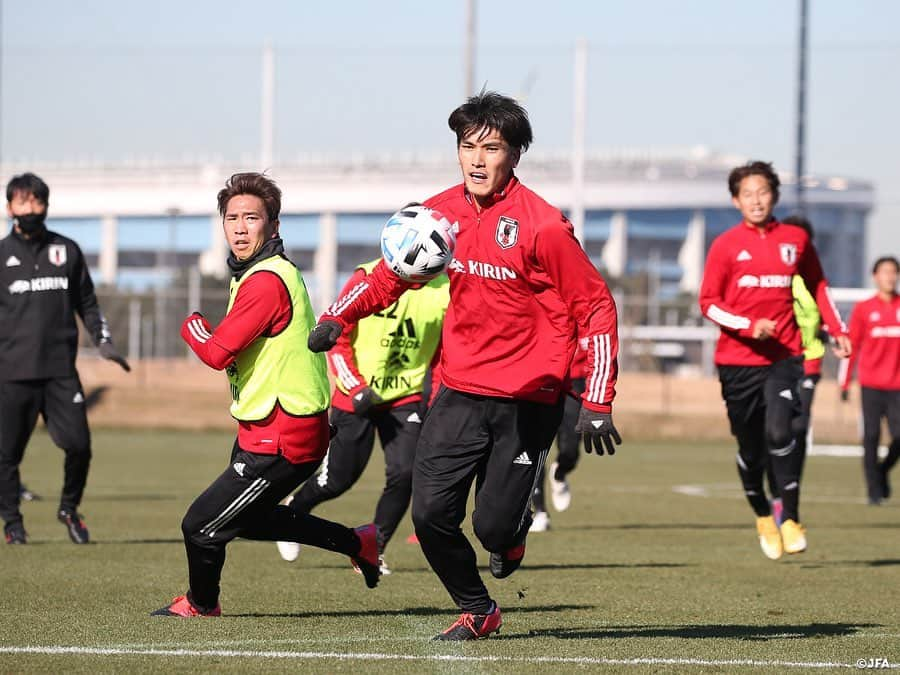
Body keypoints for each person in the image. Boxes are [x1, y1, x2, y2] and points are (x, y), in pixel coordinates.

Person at [307, 92, 622, 640]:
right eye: (467, 146)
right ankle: (479, 609)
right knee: (429, 517)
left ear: (515, 155)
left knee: (493, 528)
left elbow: (595, 306)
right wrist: (339, 316)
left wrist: (596, 401)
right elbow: (390, 274)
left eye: (491, 147)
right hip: (456, 390)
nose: (477, 159)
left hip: (530, 397)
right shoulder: (438, 214)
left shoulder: (545, 227)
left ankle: (510, 535)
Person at [151, 173, 380, 617]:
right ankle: (359, 542)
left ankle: (201, 603)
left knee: (200, 525)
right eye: (231, 218)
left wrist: (191, 323)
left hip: (284, 435)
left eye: (250, 217)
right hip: (266, 427)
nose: (239, 227)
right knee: (247, 518)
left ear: (272, 226)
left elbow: (217, 352)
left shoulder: (266, 281)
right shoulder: (255, 273)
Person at [699, 161, 850, 561]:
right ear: (736, 200)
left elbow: (818, 285)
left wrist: (839, 330)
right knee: (751, 449)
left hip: (785, 357)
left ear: (775, 195)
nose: (756, 200)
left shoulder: (796, 239)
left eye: (762, 192)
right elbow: (708, 303)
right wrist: (749, 326)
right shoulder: (726, 245)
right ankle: (764, 515)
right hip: (737, 363)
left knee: (782, 432)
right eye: (747, 194)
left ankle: (792, 519)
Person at [276, 259, 449, 570]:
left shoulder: (447, 289)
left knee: (405, 474)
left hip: (404, 397)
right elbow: (337, 335)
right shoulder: (367, 276)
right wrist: (355, 387)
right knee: (337, 481)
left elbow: (443, 354)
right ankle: (295, 510)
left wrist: (435, 401)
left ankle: (372, 549)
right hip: (354, 395)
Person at [0, 172, 130, 545]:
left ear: (46, 205)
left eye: (36, 202)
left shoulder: (67, 251)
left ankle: (69, 509)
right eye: (22, 202)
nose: (30, 209)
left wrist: (103, 341)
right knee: (6, 456)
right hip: (12, 375)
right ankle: (13, 524)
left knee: (79, 446)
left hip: (59, 373)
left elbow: (87, 303)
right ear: (10, 208)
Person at [766, 215, 826, 524]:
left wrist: (830, 331)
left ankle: (790, 500)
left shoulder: (815, 279)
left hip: (808, 362)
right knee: (773, 432)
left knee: (799, 429)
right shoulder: (773, 277)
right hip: (774, 363)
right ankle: (775, 492)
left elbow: (823, 311)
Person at [839, 256, 900, 504]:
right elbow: (850, 347)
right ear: (875, 276)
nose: (890, 276)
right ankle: (873, 492)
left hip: (898, 386)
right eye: (885, 271)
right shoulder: (864, 309)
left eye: (894, 272)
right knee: (871, 436)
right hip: (871, 385)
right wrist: (845, 383)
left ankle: (882, 470)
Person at [530, 341, 587, 532]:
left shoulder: (588, 316)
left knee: (571, 449)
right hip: (544, 378)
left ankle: (560, 472)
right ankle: (540, 512)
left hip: (575, 382)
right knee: (535, 449)